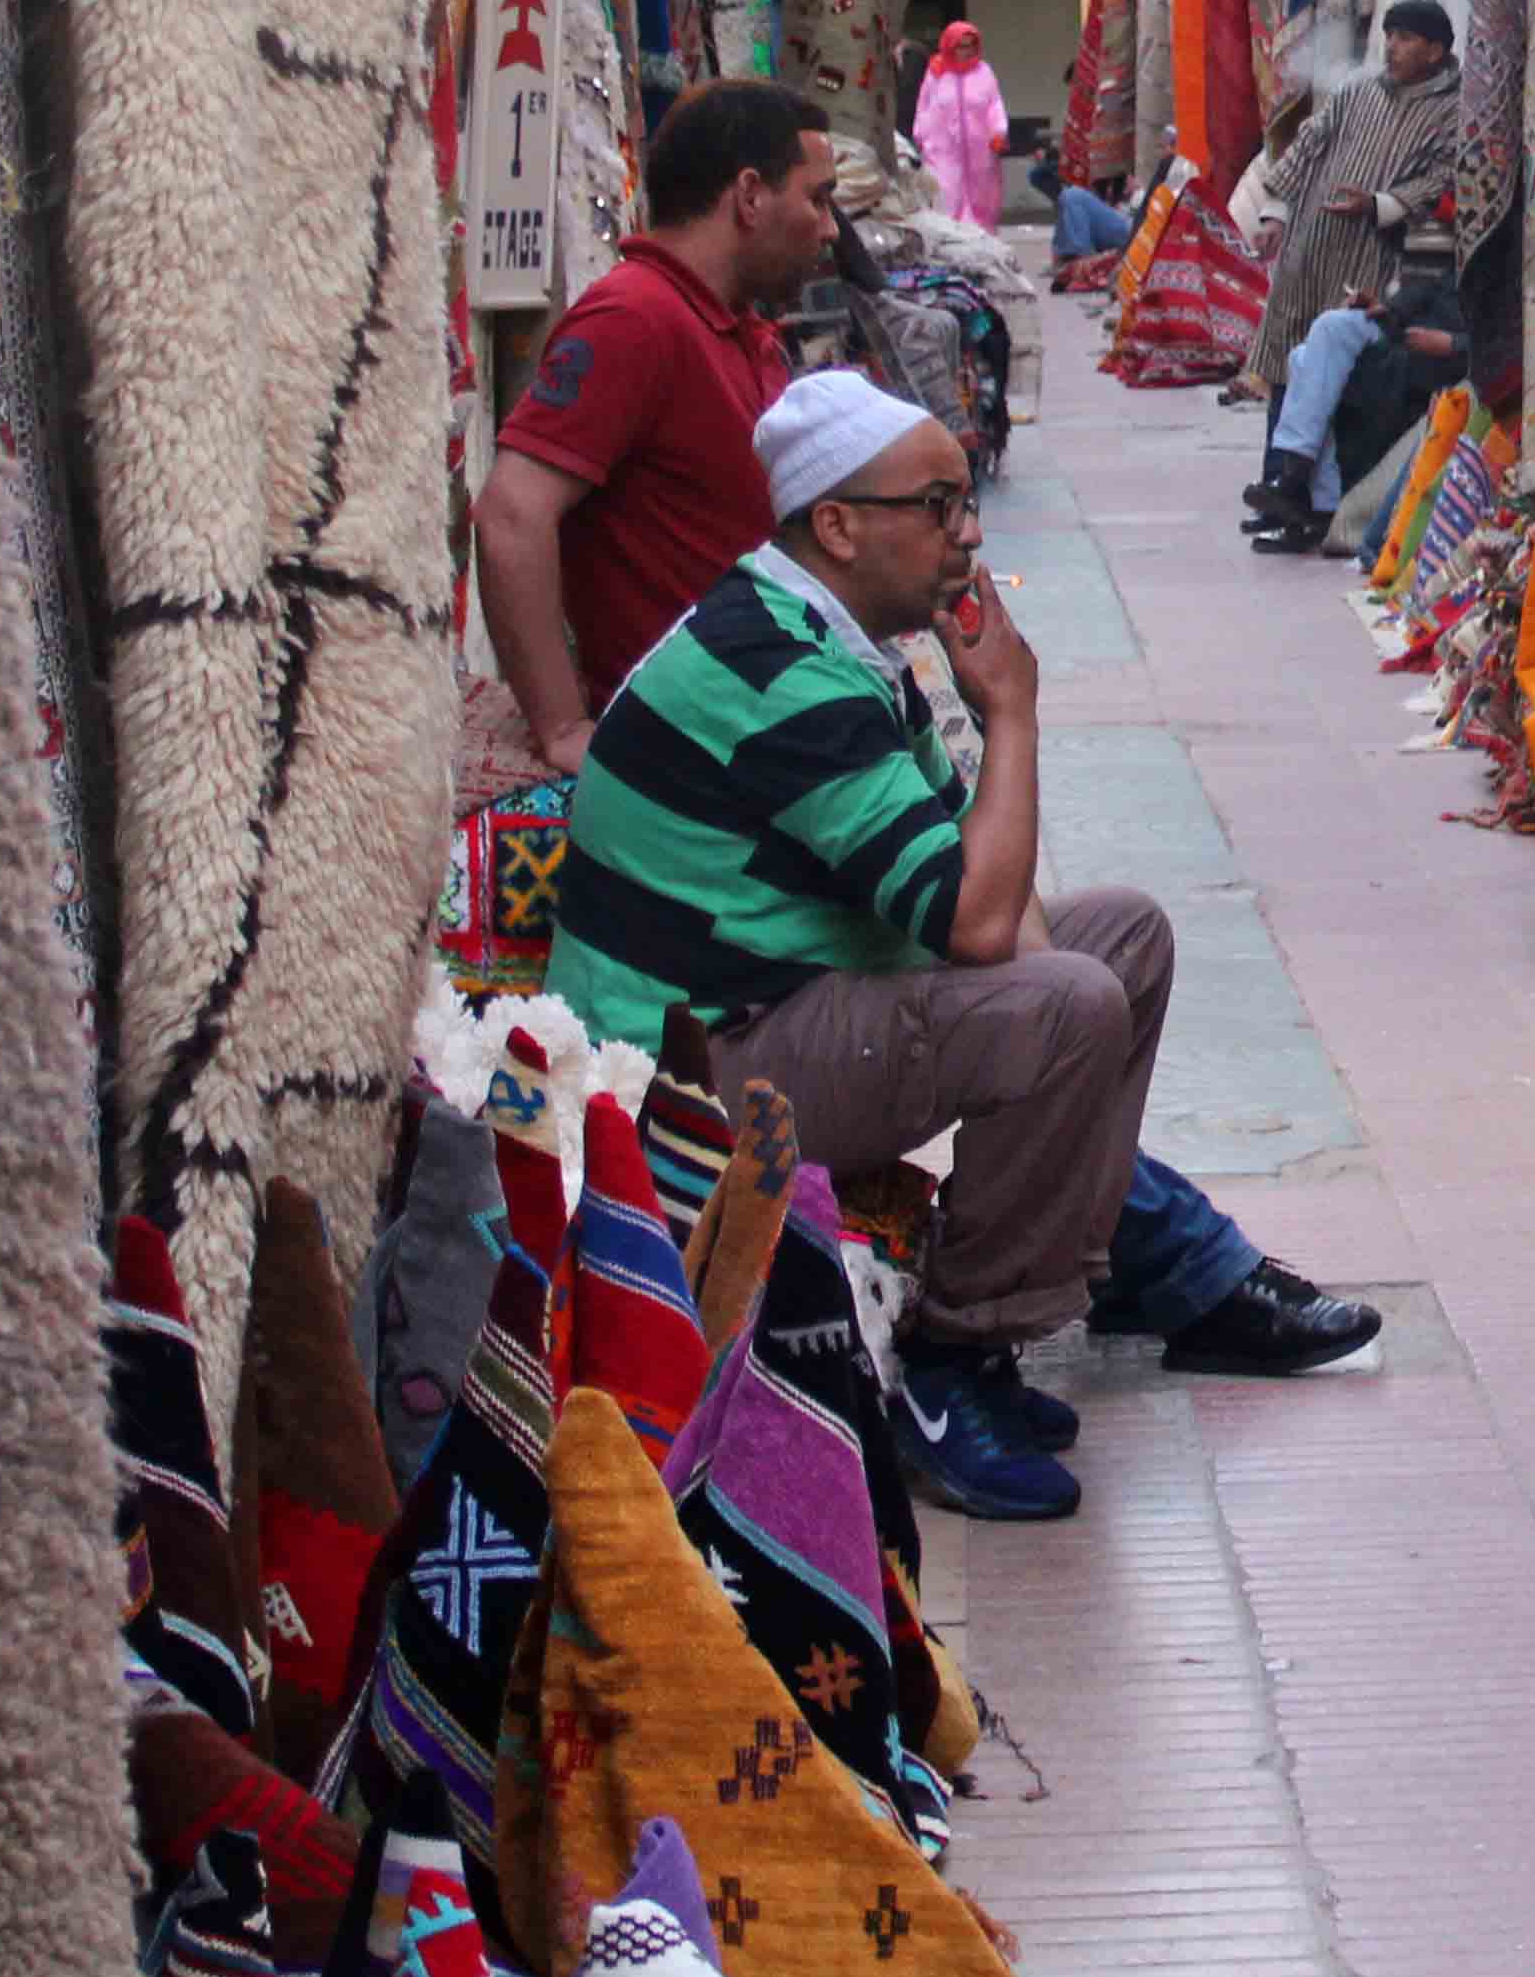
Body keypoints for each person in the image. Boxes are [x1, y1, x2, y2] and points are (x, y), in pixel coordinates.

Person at [550, 372, 1383, 1523]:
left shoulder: (836, 641)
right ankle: (953, 1358)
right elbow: (982, 928)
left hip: (785, 1000)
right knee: (1071, 1004)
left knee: (1120, 942)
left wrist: (1046, 1019)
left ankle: (1107, 1263)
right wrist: (1011, 710)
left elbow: (1003, 927)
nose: (971, 534)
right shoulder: (778, 671)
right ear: (838, 527)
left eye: (966, 502)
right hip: (686, 1068)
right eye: (938, 506)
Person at [472, 80, 842, 779]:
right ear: (750, 195)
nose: (829, 229)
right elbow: (511, 514)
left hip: (767, 720)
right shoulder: (634, 319)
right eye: (817, 199)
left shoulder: (735, 329)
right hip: (705, 749)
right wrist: (561, 725)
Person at [1244, 0, 1469, 395]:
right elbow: (1309, 142)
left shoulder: (1455, 109)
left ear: (1435, 51)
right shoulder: (1358, 88)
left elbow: (1444, 175)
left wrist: (1378, 205)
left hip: (1376, 255)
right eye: (1388, 35)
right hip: (1310, 243)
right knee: (1288, 362)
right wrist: (1276, 213)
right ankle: (1283, 437)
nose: (1391, 46)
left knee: (1346, 371)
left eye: (1405, 38)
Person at [1245, 216, 1472, 550]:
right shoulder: (1457, 251)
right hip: (1408, 330)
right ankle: (1299, 474)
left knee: (1314, 364)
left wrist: (1452, 344)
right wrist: (1385, 308)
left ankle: (1306, 493)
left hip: (1448, 353)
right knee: (1317, 342)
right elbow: (1428, 292)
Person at [912, 17, 1011, 224]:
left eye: (971, 45)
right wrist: (920, 135)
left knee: (982, 201)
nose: (967, 51)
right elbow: (924, 106)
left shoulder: (984, 72)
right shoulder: (936, 73)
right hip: (942, 151)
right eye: (961, 46)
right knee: (945, 196)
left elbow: (994, 104)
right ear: (950, 46)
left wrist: (998, 132)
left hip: (980, 152)